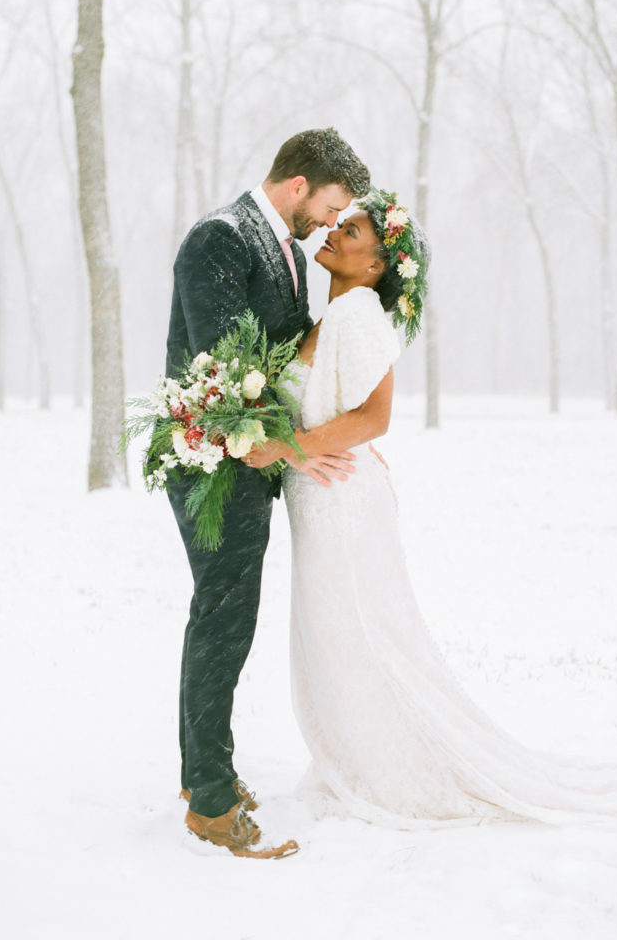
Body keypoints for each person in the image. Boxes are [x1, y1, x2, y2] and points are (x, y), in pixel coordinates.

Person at [247, 188, 617, 832]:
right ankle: (353, 756)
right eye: (343, 225)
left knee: (359, 640)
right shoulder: (332, 314)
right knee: (337, 642)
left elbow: (375, 416)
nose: (336, 234)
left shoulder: (358, 314)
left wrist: (288, 447)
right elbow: (338, 409)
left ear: (376, 267)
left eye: (353, 233)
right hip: (322, 500)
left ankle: (383, 770)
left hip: (343, 509)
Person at [165, 127, 370, 859]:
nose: (330, 221)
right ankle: (212, 806)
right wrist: (289, 450)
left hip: (249, 465)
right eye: (331, 205)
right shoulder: (219, 239)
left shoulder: (283, 248)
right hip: (211, 466)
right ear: (299, 184)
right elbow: (221, 370)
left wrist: (362, 311)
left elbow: (281, 354)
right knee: (222, 619)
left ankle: (203, 776)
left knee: (226, 619)